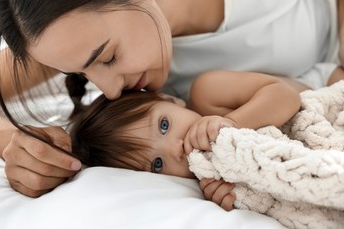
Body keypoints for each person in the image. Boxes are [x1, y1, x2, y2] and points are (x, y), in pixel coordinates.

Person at [0, 0, 342, 204]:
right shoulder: (69, 39)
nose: (108, 91)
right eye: (84, 74)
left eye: (106, 58)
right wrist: (17, 144)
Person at [68, 70, 302, 211]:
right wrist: (235, 193)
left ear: (170, 100)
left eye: (164, 125)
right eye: (157, 164)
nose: (175, 148)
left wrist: (229, 124)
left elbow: (285, 96)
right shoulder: (208, 178)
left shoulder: (207, 92)